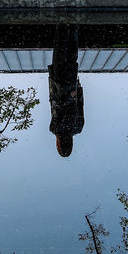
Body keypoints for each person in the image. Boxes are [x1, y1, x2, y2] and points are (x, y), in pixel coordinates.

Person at [48, 25, 84, 157]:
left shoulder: (78, 128)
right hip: (59, 83)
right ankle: (62, 24)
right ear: (59, 145)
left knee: (71, 53)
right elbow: (57, 105)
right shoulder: (55, 129)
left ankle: (73, 25)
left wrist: (78, 89)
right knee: (60, 48)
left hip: (71, 83)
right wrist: (69, 97)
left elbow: (80, 104)